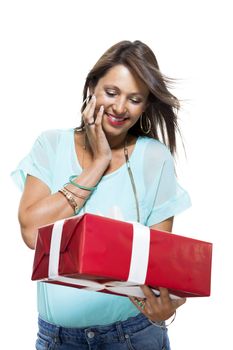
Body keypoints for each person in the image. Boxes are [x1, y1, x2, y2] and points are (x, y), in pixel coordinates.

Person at [11, 40, 191, 350]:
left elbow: (155, 268)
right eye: (111, 93)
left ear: (146, 104)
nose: (121, 108)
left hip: (132, 336)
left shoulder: (154, 158)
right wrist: (97, 165)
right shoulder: (51, 145)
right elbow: (31, 233)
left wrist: (165, 308)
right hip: (57, 339)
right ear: (92, 87)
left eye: (134, 99)